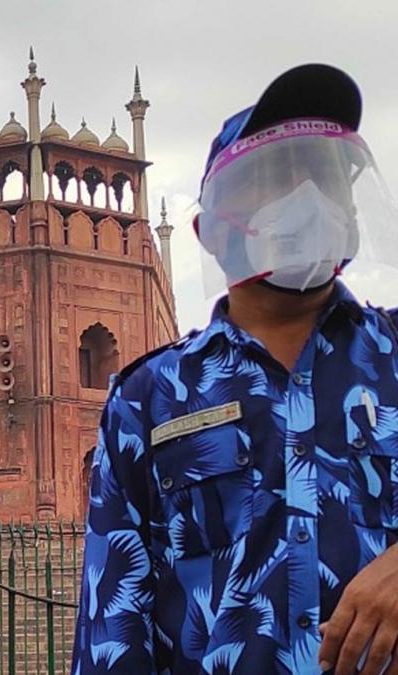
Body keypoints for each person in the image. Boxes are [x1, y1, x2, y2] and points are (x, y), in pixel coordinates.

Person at [71, 64, 398, 675]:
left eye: (326, 175)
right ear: (211, 231)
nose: (308, 194)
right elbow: (113, 629)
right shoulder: (151, 397)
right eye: (276, 177)